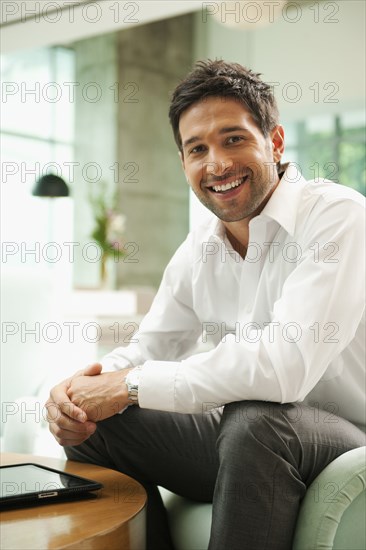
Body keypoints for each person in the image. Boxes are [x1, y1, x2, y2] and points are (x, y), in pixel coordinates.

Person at [46, 60, 365, 550]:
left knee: (255, 418)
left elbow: (285, 369)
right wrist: (81, 390)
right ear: (184, 164)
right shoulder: (200, 248)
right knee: (94, 428)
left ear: (274, 142)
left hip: (343, 434)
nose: (217, 164)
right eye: (198, 149)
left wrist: (128, 386)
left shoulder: (336, 216)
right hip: (251, 442)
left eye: (233, 138)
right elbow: (150, 346)